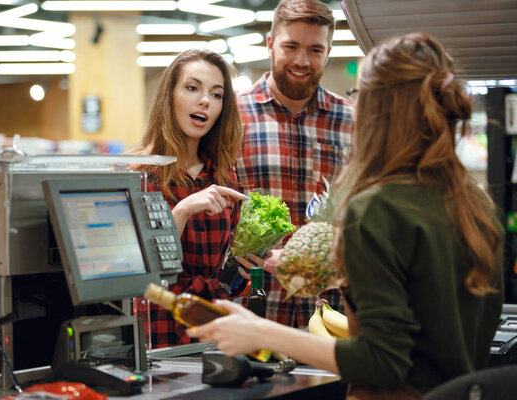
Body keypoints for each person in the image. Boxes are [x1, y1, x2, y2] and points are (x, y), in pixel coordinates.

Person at [189, 32, 504, 397]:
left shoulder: (375, 207)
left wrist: (260, 332)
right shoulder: (475, 203)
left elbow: (381, 362)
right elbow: (431, 305)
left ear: (375, 111)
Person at [236, 0, 354, 326]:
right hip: (253, 313)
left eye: (315, 50)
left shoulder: (352, 121)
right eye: (291, 46)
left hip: (333, 312)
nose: (302, 61)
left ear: (328, 52)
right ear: (271, 45)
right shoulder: (231, 117)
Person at [129, 49, 248, 347]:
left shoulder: (223, 176)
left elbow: (226, 272)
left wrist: (245, 263)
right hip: (154, 329)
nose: (205, 100)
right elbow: (132, 267)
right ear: (169, 96)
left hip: (211, 328)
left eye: (216, 94)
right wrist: (181, 212)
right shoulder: (135, 174)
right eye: (193, 88)